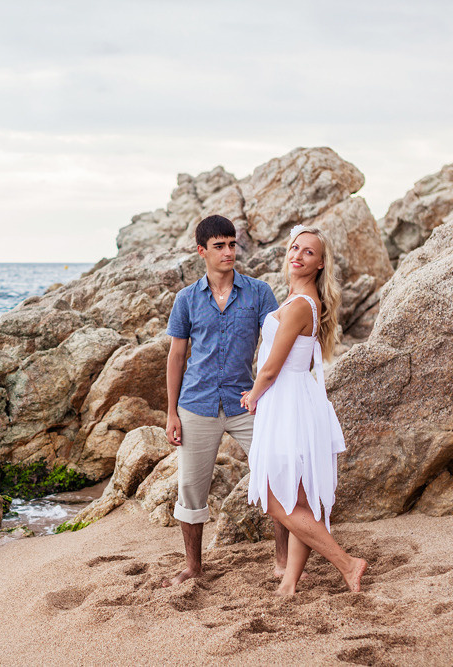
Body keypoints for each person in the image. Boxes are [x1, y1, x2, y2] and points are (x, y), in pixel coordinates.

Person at [241, 225, 367, 595]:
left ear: (321, 264)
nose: (297, 254)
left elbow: (271, 367)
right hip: (295, 399)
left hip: (286, 401)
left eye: (308, 252)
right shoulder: (302, 299)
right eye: (295, 248)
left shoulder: (299, 306)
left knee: (273, 497)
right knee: (299, 499)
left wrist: (253, 394)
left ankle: (347, 563)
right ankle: (290, 584)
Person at [163, 214, 286, 587]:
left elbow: (279, 344)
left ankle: (282, 561)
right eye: (219, 246)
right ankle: (194, 567)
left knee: (276, 476)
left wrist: (270, 394)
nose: (228, 252)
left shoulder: (259, 293)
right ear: (202, 251)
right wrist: (171, 413)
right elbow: (176, 357)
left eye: (232, 244)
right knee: (191, 490)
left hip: (245, 401)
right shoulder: (186, 299)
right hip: (196, 404)